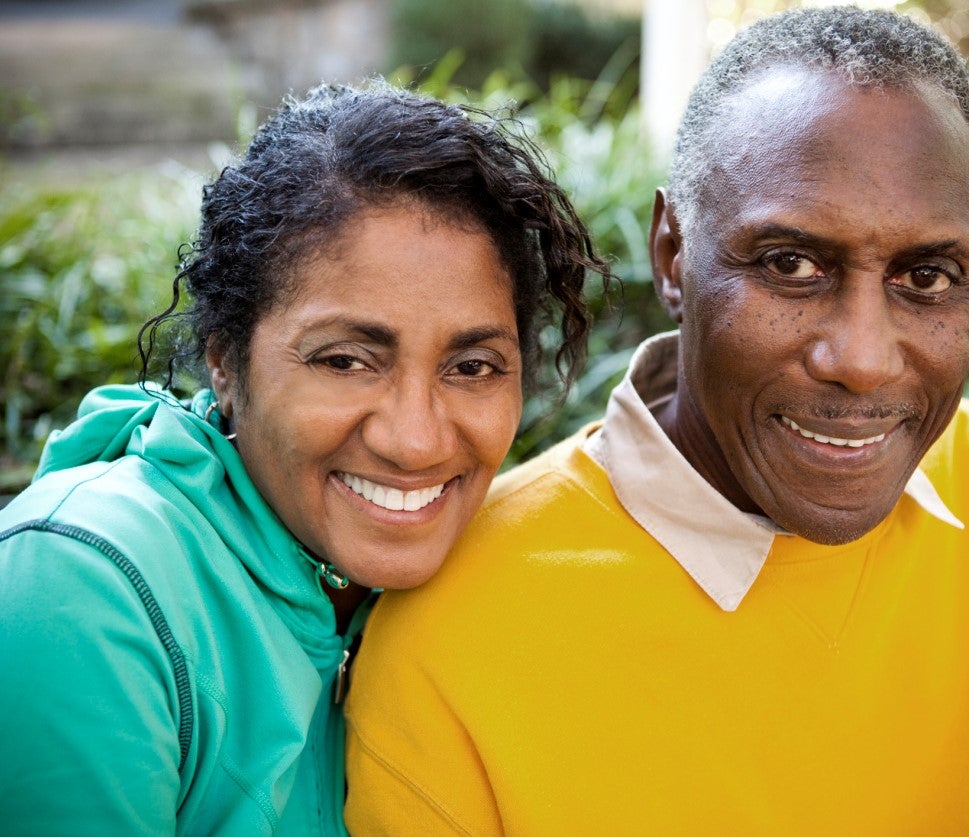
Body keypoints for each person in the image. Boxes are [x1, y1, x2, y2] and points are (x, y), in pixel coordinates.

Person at [344, 7, 969, 835]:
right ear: (673, 255)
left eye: (925, 277)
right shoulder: (453, 642)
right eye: (790, 264)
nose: (861, 357)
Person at [0, 79, 608, 834]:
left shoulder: (496, 576)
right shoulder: (83, 588)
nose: (415, 439)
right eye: (347, 360)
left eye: (472, 367)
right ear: (226, 360)